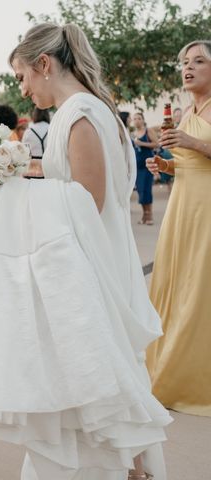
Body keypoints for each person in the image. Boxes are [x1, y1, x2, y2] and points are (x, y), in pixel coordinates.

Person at [0, 23, 171, 480]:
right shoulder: (82, 110)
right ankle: (133, 470)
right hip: (94, 258)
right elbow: (73, 180)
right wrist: (15, 171)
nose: (22, 90)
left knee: (94, 395)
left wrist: (13, 195)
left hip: (91, 266)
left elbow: (88, 198)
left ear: (45, 64)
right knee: (107, 394)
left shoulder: (79, 113)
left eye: (23, 76)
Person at [146, 40, 211, 417]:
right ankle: (170, 363)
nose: (188, 68)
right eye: (185, 62)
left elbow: (199, 151)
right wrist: (165, 167)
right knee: (178, 280)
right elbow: (187, 163)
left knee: (200, 285)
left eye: (199, 61)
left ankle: (193, 376)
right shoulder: (188, 109)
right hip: (182, 204)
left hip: (206, 206)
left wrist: (190, 141)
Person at [131, 112, 159, 225]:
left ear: (143, 120)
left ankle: (149, 215)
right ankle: (144, 215)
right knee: (141, 191)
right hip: (138, 167)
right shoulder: (133, 134)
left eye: (139, 118)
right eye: (135, 119)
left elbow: (156, 144)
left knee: (147, 190)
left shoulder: (149, 131)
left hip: (148, 165)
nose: (137, 120)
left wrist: (141, 143)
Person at [22, 107, 50, 178]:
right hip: (50, 169)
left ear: (35, 115)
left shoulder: (28, 131)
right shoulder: (52, 128)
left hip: (33, 171)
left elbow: (24, 153)